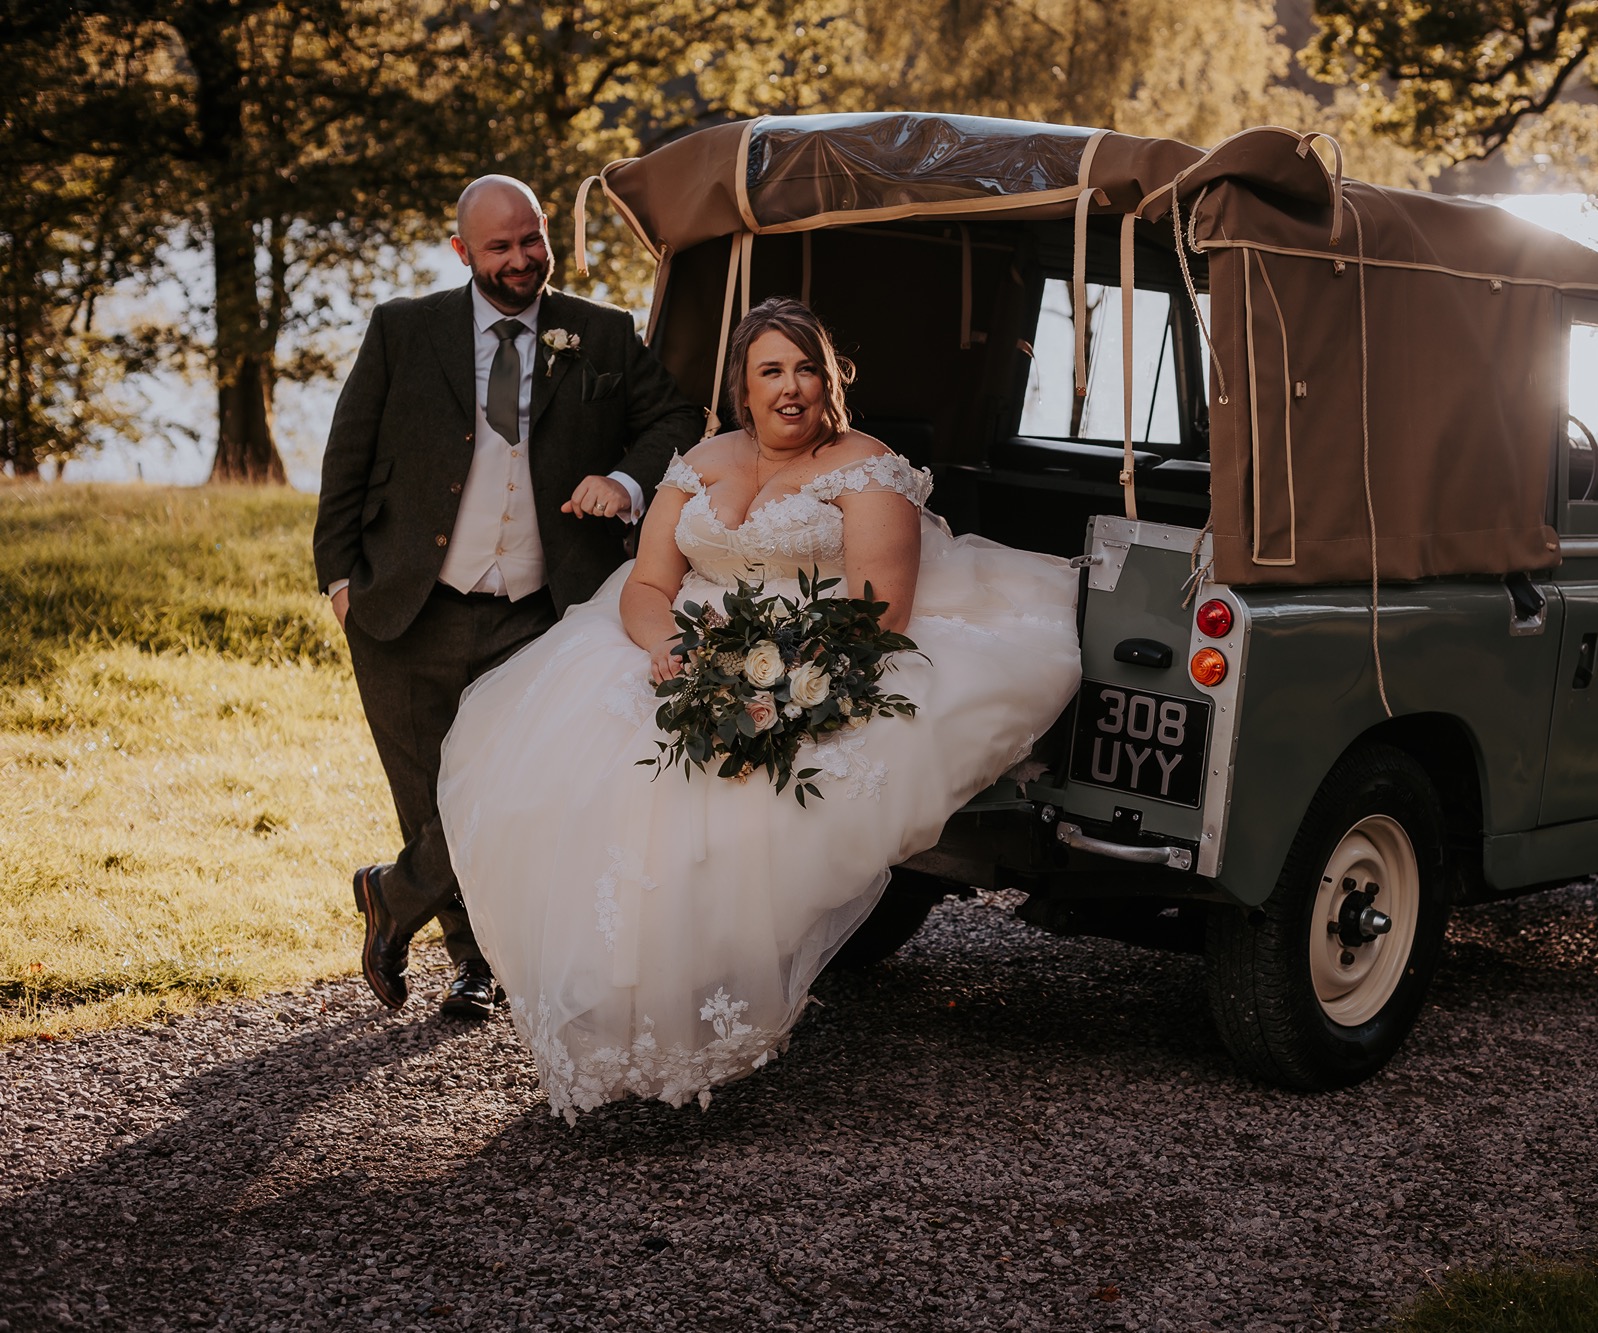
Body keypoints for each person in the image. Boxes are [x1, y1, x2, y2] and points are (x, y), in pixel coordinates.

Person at [437, 298, 1082, 1120]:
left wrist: (772, 686)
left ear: (830, 379)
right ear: (743, 387)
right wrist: (666, 650)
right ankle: (608, 1007)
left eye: (806, 368)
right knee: (588, 768)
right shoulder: (698, 462)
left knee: (738, 806)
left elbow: (878, 614)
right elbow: (646, 586)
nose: (791, 388)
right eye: (771, 371)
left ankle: (696, 1007)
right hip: (689, 640)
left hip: (824, 648)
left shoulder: (865, 466)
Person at [314, 175, 705, 1021]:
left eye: (532, 239)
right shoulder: (402, 330)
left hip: (541, 612)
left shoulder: (601, 333)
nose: (523, 258)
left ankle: (392, 893)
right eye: (501, 246)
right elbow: (346, 456)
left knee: (514, 793)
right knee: (428, 795)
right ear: (463, 253)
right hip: (406, 607)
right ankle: (473, 966)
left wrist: (626, 480)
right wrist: (339, 583)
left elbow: (676, 419)